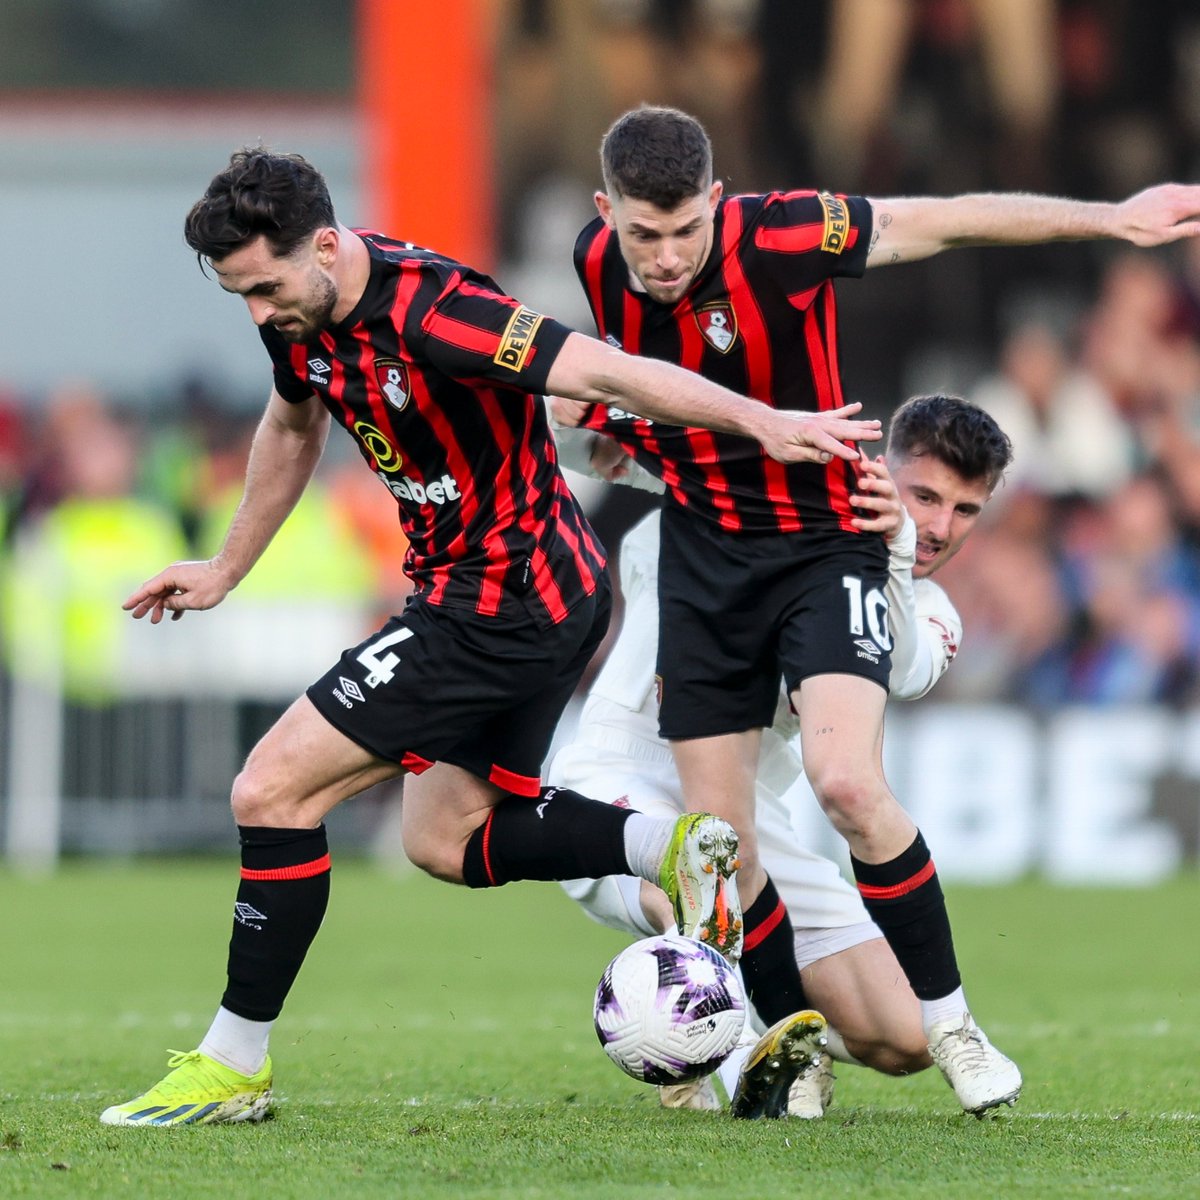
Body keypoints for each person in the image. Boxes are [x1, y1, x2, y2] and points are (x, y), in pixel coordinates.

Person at [98, 147, 882, 1127]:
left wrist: (758, 421)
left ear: (329, 246)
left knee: (269, 788)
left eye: (264, 286)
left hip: (503, 598)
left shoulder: (434, 310)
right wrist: (223, 568)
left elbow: (605, 368)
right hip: (512, 598)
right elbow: (293, 426)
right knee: (444, 838)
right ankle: (669, 848)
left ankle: (233, 1064)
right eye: (239, 295)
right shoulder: (300, 319)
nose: (257, 311)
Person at [566, 104, 1200, 1115]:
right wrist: (615, 432)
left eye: (687, 230)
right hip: (702, 561)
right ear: (608, 217)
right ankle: (772, 1043)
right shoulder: (598, 264)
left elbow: (940, 219)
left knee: (850, 783)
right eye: (645, 234)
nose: (668, 256)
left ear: (718, 204)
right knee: (719, 853)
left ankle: (950, 1026)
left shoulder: (779, 236)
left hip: (819, 547)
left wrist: (1113, 220)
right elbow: (591, 388)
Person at [550, 392, 1011, 1118]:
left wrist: (886, 551)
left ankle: (767, 1020)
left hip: (753, 821)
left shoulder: (931, 610)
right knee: (697, 869)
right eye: (923, 496)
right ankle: (725, 1052)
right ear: (880, 466)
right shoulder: (766, 487)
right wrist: (577, 396)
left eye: (964, 510)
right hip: (621, 771)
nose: (937, 527)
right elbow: (583, 446)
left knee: (902, 1035)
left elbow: (902, 667)